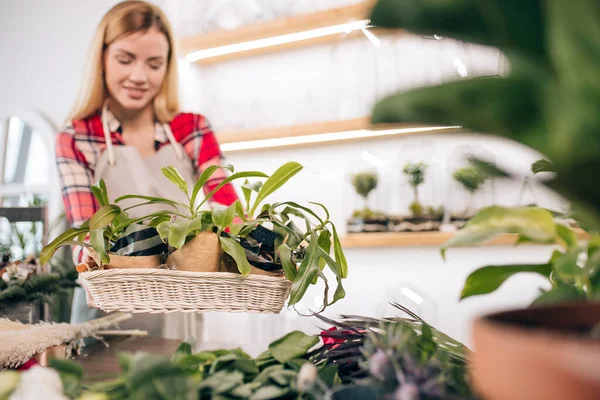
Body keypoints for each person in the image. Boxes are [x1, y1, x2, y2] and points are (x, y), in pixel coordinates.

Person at [55, 0, 238, 338]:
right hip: (105, 318)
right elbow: (86, 233)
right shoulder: (78, 137)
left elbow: (227, 209)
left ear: (168, 67)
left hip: (180, 313)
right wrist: (98, 262)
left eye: (154, 64)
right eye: (125, 60)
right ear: (102, 57)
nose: (139, 76)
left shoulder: (192, 130)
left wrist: (261, 247)